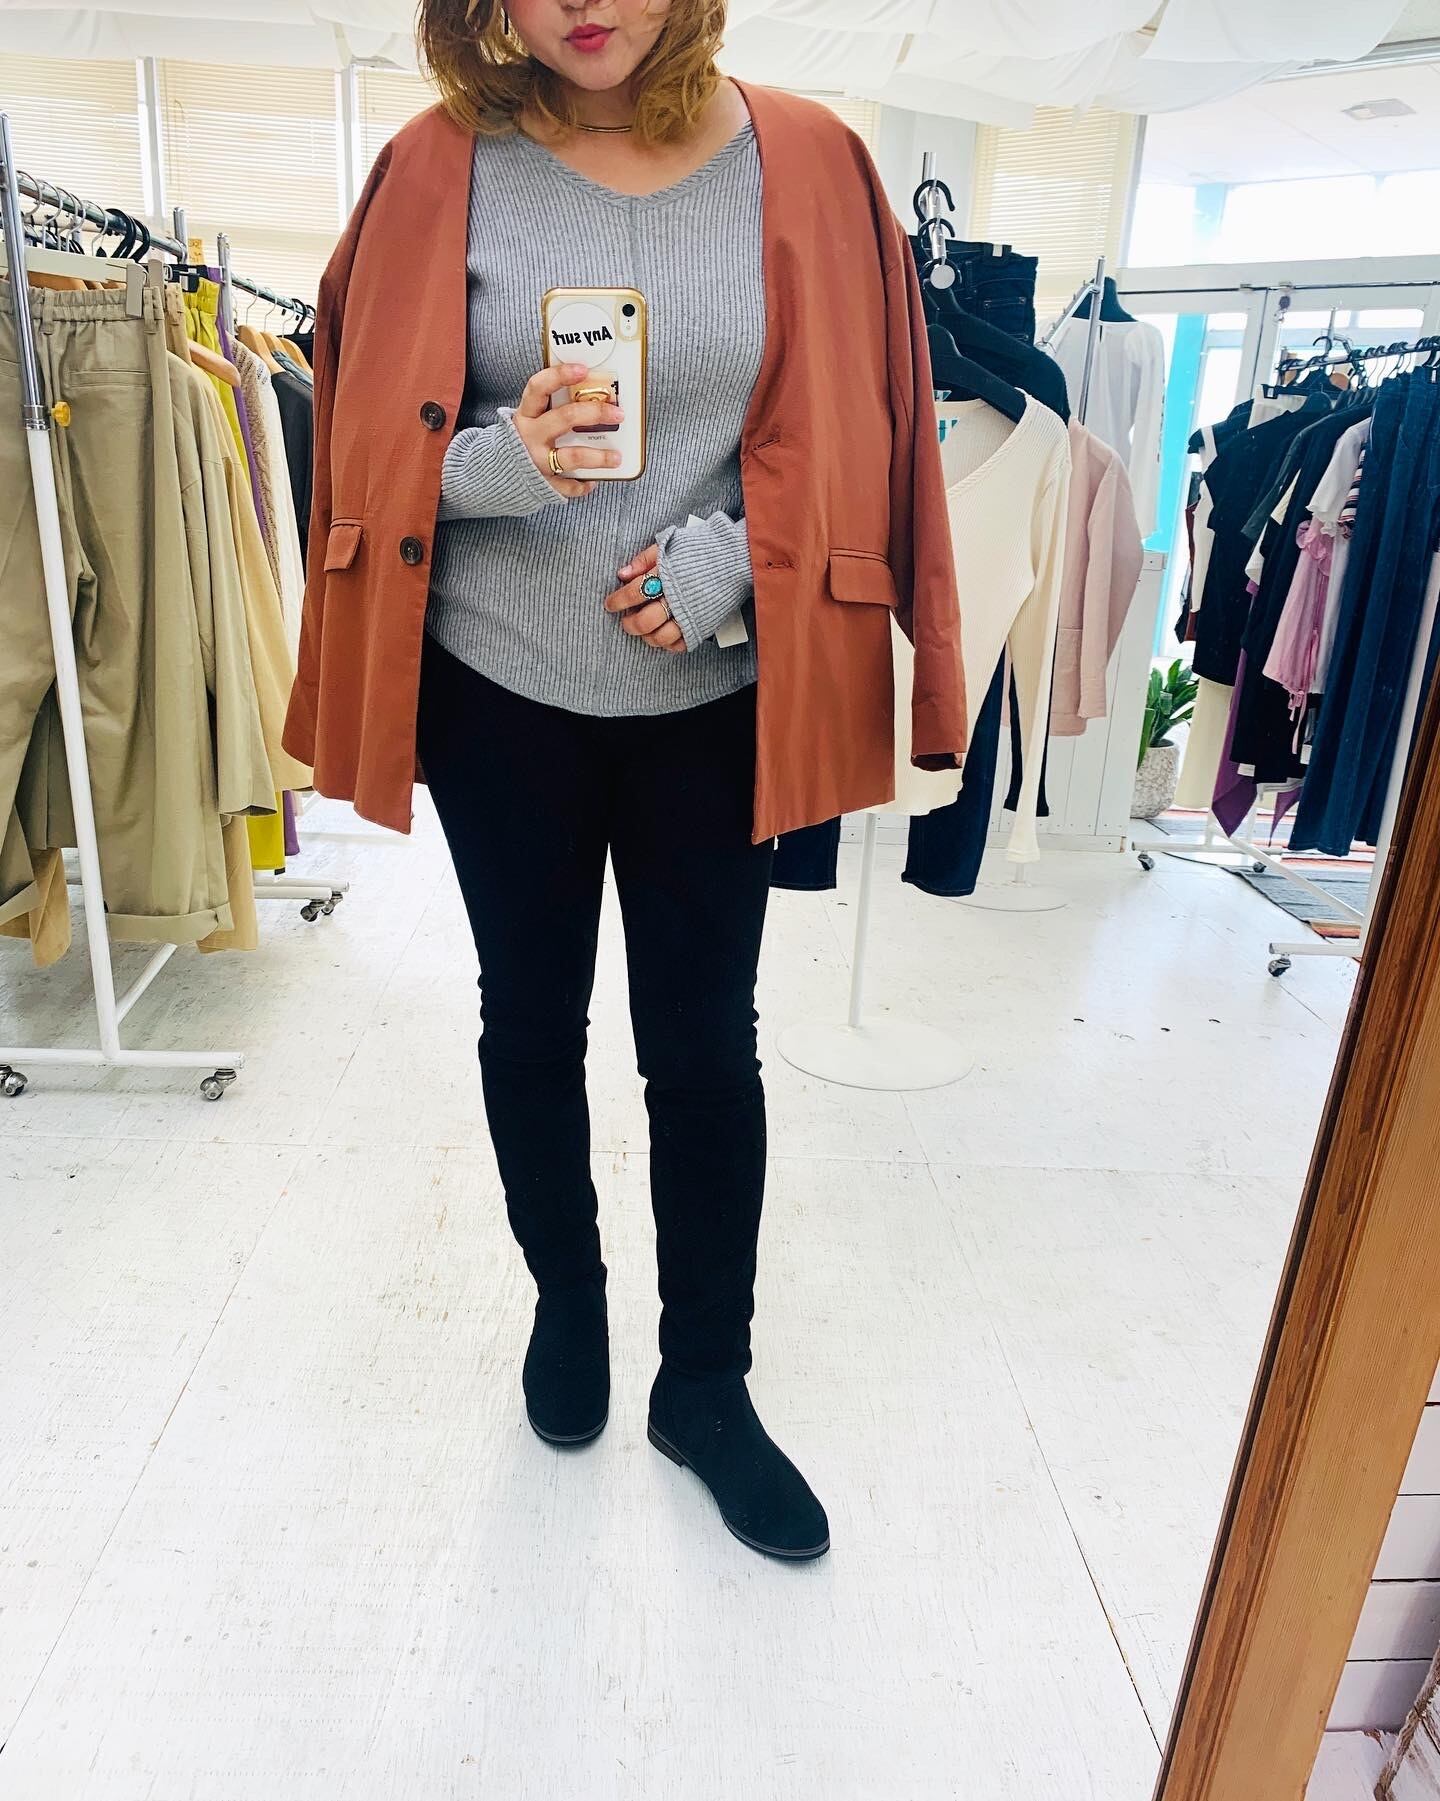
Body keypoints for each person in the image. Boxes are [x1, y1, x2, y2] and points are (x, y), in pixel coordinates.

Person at [283, 0, 967, 1563]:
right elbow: (359, 450)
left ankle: (706, 1380)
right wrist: (501, 461)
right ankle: (568, 1299)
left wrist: (735, 562)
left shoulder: (811, 162)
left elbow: (863, 427)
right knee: (529, 1019)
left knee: (704, 1046)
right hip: (496, 689)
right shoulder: (433, 167)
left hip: (713, 700)